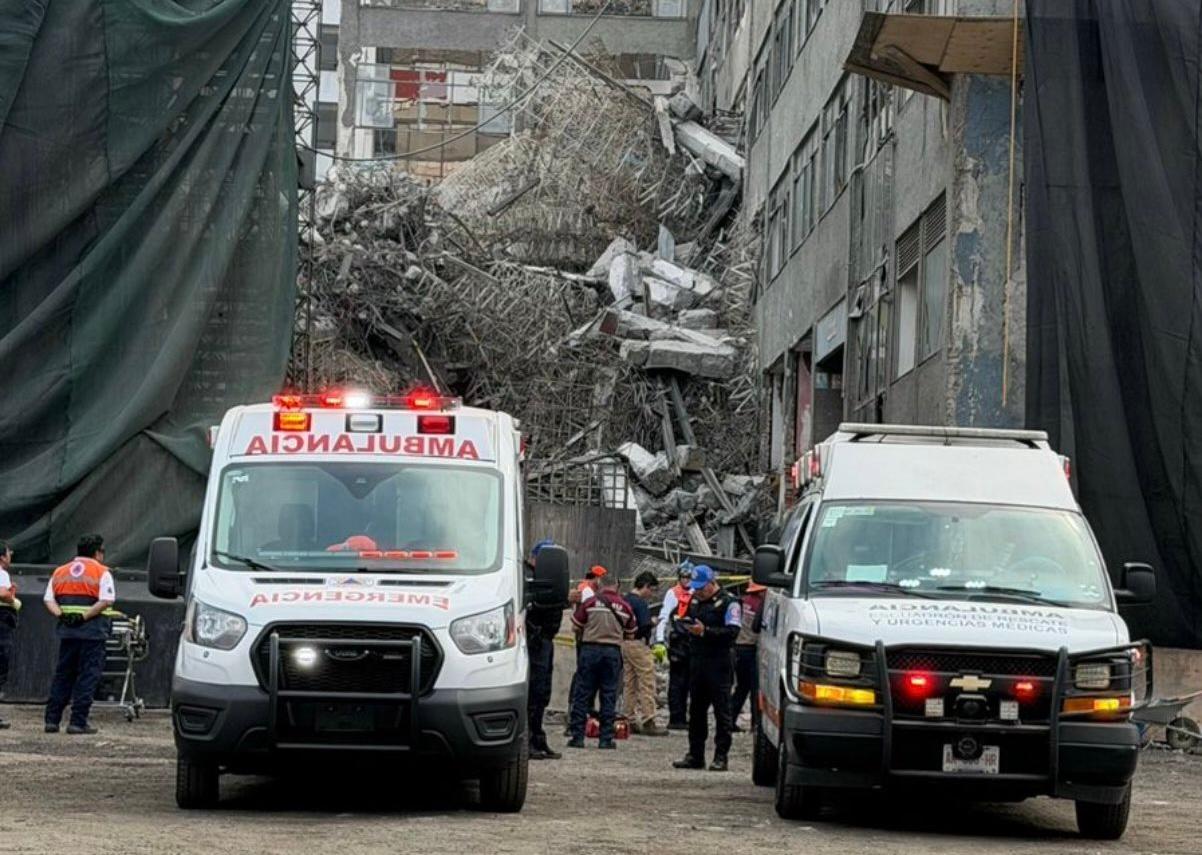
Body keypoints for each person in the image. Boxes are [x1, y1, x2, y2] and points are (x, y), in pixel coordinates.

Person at [43, 534, 116, 735]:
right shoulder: (102, 572)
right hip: (93, 633)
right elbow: (106, 600)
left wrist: (62, 615)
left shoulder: (60, 571)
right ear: (97, 552)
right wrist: (83, 617)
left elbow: (48, 599)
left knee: (63, 675)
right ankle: (77, 722)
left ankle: (52, 720)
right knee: (88, 676)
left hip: (68, 634)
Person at [673, 565, 740, 772]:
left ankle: (721, 756)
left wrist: (706, 632)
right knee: (696, 710)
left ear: (712, 583)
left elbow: (732, 632)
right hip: (697, 660)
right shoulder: (694, 600)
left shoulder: (728, 602)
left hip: (719, 662)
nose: (699, 592)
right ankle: (695, 754)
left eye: (702, 588)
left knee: (722, 711)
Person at [567, 569, 635, 749]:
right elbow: (630, 633)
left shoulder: (590, 603)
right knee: (609, 695)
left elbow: (575, 626)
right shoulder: (625, 607)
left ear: (599, 585)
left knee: (582, 694)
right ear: (617, 586)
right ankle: (606, 738)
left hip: (589, 650)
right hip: (612, 652)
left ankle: (577, 736)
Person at [525, 538, 565, 760]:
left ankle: (538, 738)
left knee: (542, 693)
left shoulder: (549, 579)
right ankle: (529, 740)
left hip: (546, 640)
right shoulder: (528, 578)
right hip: (534, 640)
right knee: (533, 692)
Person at [622, 572, 666, 736]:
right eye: (652, 590)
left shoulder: (625, 599)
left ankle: (629, 718)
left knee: (630, 682)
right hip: (639, 644)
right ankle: (649, 719)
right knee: (647, 680)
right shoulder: (640, 603)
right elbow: (645, 624)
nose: (652, 595)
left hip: (625, 643)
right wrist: (653, 622)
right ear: (646, 586)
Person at [653, 562, 695, 730]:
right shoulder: (673, 593)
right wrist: (659, 640)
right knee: (677, 682)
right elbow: (663, 616)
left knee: (692, 682)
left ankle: (687, 717)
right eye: (683, 577)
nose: (686, 580)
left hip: (693, 640)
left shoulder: (696, 592)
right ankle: (676, 718)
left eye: (689, 577)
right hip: (678, 641)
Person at [729, 582, 767, 733]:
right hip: (751, 649)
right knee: (755, 689)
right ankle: (756, 725)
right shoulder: (761, 604)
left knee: (742, 688)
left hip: (739, 648)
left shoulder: (743, 601)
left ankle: (729, 720)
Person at [0, 539, 20, 730]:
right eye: (8, 552)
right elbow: (3, 594)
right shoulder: (2, 573)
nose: (10, 555)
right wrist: (11, 595)